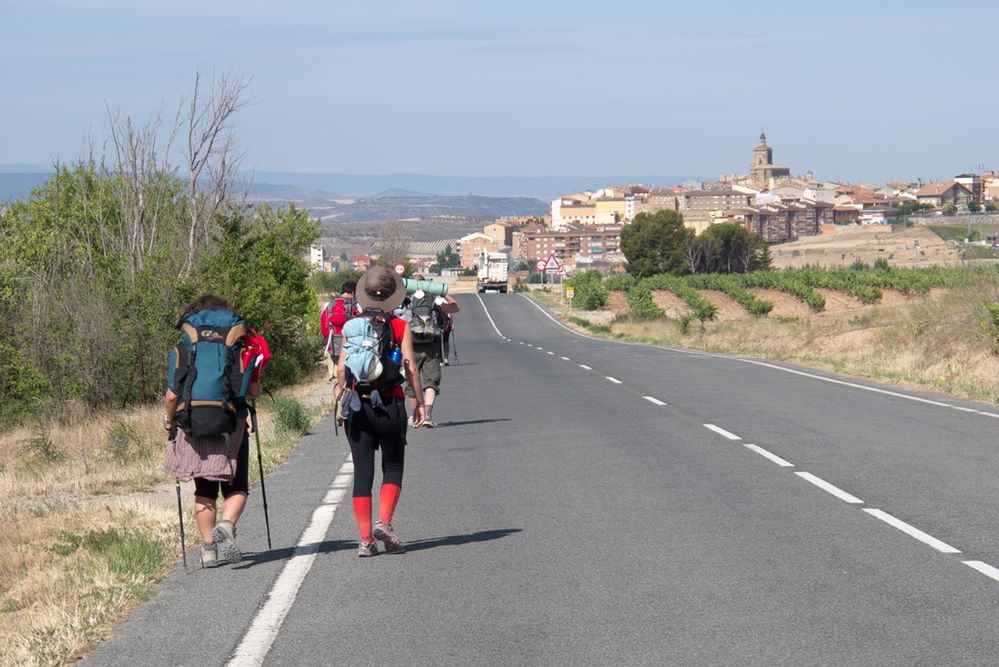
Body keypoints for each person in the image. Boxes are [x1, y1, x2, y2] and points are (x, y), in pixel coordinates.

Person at [163, 294, 263, 568]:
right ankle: (227, 524)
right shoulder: (239, 346)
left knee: (203, 489)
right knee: (236, 485)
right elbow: (253, 391)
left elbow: (172, 395)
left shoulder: (184, 349)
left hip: (192, 423)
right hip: (232, 422)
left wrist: (170, 422)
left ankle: (208, 551)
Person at [336, 265, 425, 557]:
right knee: (394, 466)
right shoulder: (399, 326)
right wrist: (419, 402)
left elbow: (340, 369)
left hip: (358, 406)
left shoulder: (351, 326)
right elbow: (409, 365)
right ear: (392, 298)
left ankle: (365, 541)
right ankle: (384, 522)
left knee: (362, 472)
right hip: (389, 403)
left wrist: (342, 397)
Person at [405, 274, 460, 428]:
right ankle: (427, 415)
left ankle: (416, 415)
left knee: (411, 381)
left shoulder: (406, 300)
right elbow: (455, 308)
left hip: (411, 345)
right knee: (431, 380)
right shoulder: (434, 298)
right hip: (431, 344)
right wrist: (443, 292)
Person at [321, 282, 360, 383]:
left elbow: (324, 324)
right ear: (353, 292)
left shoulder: (330, 304)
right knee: (345, 375)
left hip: (332, 342)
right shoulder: (354, 306)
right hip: (348, 345)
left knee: (334, 376)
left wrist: (327, 340)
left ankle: (335, 393)